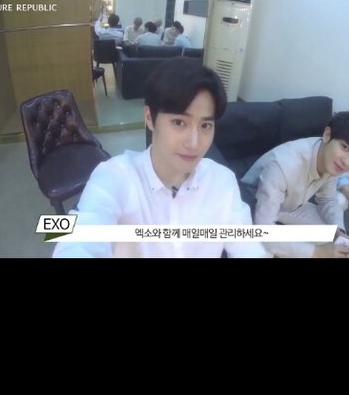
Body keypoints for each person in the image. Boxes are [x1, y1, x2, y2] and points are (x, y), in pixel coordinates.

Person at [53, 58, 270, 258]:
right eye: (179, 122)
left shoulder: (222, 181)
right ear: (149, 117)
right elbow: (78, 239)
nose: (194, 143)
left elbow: (247, 246)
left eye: (205, 125)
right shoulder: (114, 176)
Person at [241, 110, 349, 258]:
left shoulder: (330, 159)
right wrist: (317, 253)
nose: (347, 162)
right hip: (252, 207)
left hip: (290, 205)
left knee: (328, 236)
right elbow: (263, 231)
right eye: (344, 147)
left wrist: (340, 232)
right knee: (264, 253)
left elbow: (327, 198)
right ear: (327, 135)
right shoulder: (283, 166)